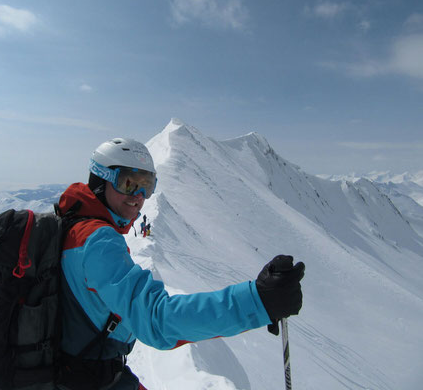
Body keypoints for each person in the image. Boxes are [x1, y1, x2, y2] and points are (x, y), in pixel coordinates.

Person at [55, 138, 305, 390]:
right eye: (129, 183)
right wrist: (257, 301)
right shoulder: (98, 242)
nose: (139, 197)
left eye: (147, 185)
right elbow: (157, 319)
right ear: (100, 180)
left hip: (74, 370)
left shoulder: (72, 223)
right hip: (86, 378)